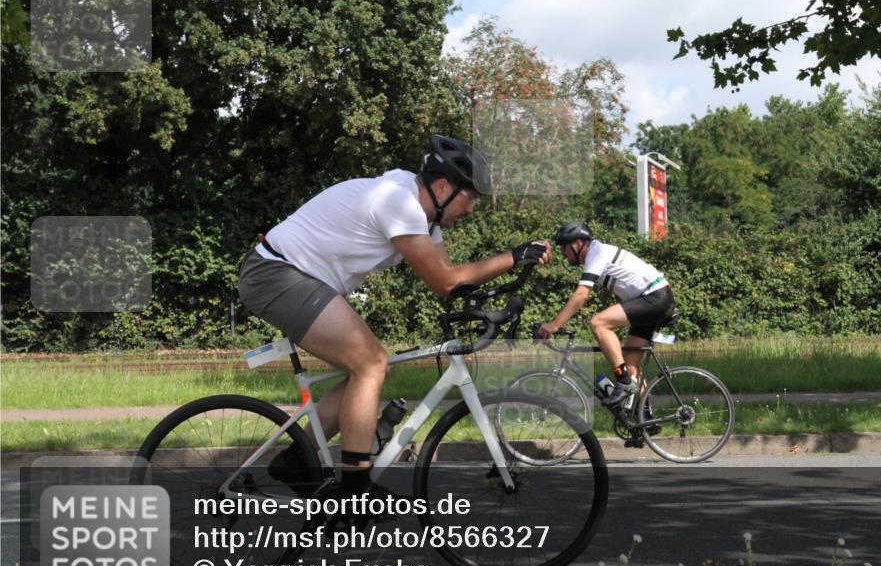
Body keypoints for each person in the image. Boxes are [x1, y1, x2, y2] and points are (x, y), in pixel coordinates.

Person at [238, 135, 551, 497]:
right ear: (443, 186)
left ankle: (298, 457)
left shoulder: (423, 216)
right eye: (470, 198)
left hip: (299, 278)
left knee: (371, 368)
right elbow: (445, 280)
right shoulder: (400, 203)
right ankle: (355, 488)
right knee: (370, 362)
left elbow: (449, 278)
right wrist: (513, 257)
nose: (471, 210)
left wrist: (492, 299)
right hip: (276, 273)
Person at [538, 221, 674, 424]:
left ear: (577, 244)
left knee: (598, 323)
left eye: (564, 247)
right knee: (630, 364)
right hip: (651, 298)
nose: (563, 253)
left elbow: (582, 294)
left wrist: (554, 324)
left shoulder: (597, 252)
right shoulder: (597, 253)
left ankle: (623, 381)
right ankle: (644, 421)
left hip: (654, 298)